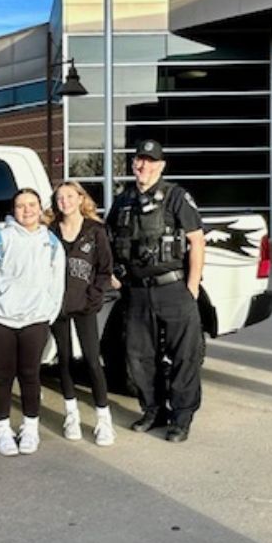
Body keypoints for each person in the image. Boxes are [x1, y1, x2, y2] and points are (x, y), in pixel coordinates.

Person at [107, 138, 206, 441]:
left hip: (173, 288)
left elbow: (196, 240)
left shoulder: (176, 197)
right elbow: (108, 239)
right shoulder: (123, 201)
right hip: (136, 292)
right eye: (139, 160)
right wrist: (112, 273)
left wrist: (191, 286)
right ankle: (153, 410)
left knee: (184, 356)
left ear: (161, 166)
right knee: (138, 356)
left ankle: (181, 417)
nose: (143, 165)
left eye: (150, 161)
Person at [0, 188, 66, 456]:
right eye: (20, 205)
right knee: (3, 377)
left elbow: (56, 285)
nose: (26, 210)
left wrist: (46, 315)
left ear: (40, 209)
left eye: (31, 205)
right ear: (13, 210)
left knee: (30, 375)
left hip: (35, 321)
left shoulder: (51, 243)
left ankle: (30, 429)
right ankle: (2, 432)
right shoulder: (0, 239)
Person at [52, 179, 117, 446]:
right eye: (59, 198)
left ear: (80, 198)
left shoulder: (95, 231)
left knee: (92, 359)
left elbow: (104, 269)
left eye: (69, 196)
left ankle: (104, 419)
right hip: (57, 306)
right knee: (64, 360)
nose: (64, 201)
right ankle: (72, 415)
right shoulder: (50, 231)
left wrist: (94, 297)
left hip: (84, 304)